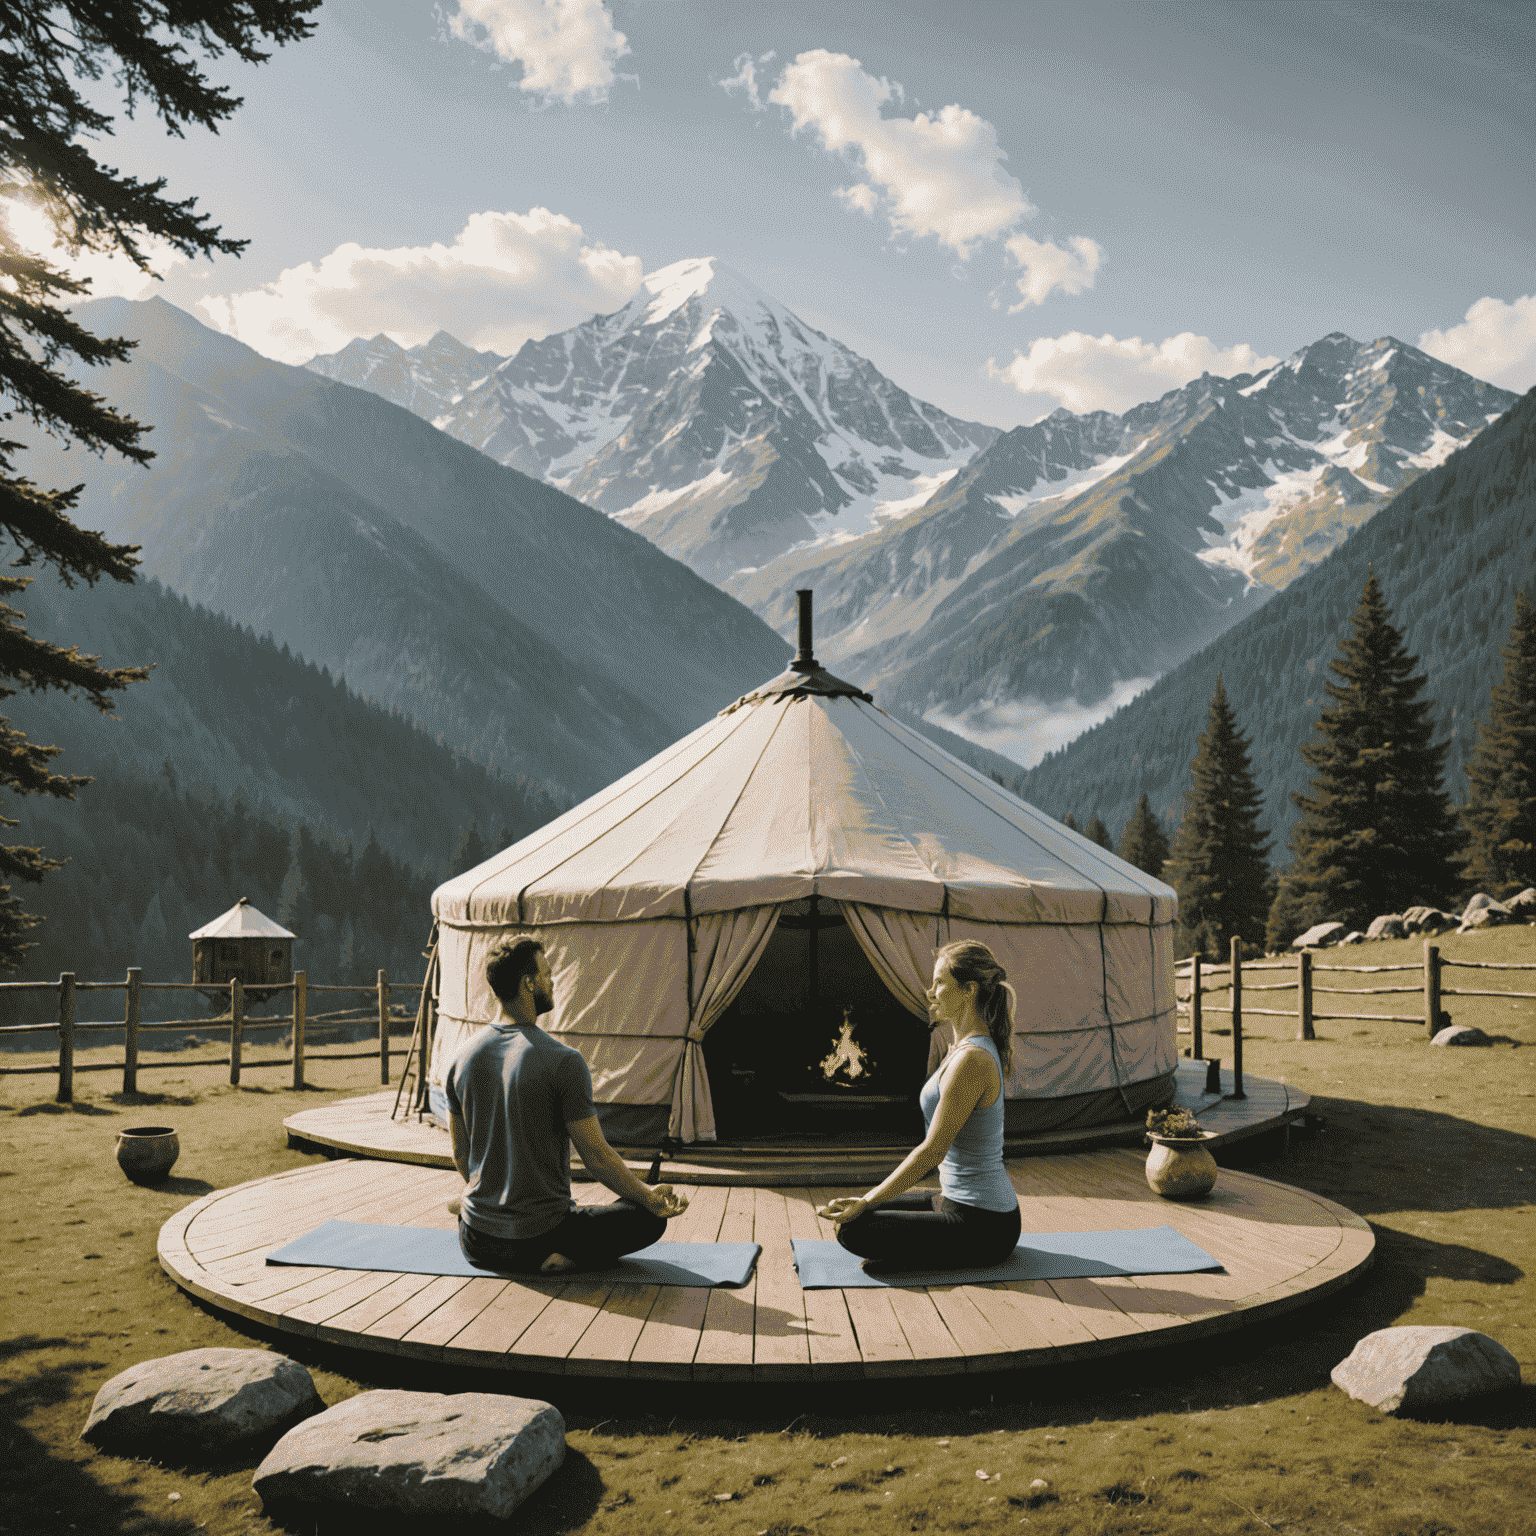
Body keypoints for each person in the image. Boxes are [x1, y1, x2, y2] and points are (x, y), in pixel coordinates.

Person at [446, 935, 688, 1275]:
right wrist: (647, 1197)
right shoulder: (563, 1061)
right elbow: (596, 1157)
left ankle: (468, 1210)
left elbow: (461, 1154)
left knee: (473, 1205)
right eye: (546, 973)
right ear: (529, 983)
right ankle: (563, 1258)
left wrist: (490, 1205)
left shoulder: (460, 1058)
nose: (553, 980)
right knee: (648, 1218)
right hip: (540, 1238)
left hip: (476, 1242)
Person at [819, 940, 1021, 1272]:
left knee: (854, 1229)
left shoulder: (972, 1059)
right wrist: (867, 1201)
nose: (930, 992)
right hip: (953, 1200)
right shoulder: (960, 1049)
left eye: (939, 982)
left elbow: (931, 1152)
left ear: (968, 990)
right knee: (858, 1214)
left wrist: (869, 1199)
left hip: (985, 1224)